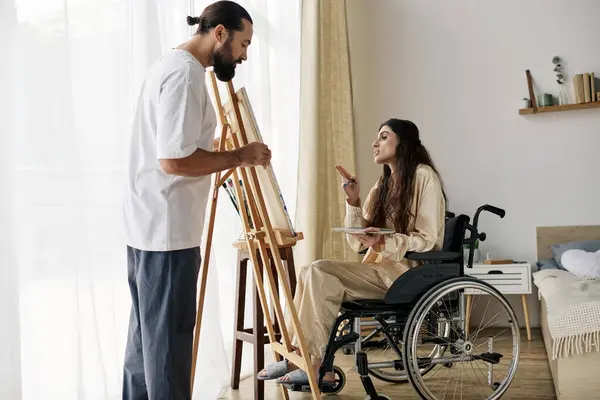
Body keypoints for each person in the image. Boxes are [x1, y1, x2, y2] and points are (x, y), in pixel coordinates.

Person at [121, 2, 271, 399]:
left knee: (145, 347)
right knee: (167, 349)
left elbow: (177, 147)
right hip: (167, 232)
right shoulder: (185, 75)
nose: (243, 55)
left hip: (148, 226)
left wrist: (218, 152)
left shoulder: (170, 66)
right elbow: (173, 160)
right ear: (219, 33)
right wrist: (240, 156)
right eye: (243, 44)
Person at [257, 118, 447, 388]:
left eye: (383, 136)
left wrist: (383, 243)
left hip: (405, 275)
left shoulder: (424, 176)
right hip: (378, 270)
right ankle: (305, 359)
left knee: (319, 270)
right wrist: (353, 201)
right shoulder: (382, 185)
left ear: (403, 142)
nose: (375, 143)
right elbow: (357, 244)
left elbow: (429, 240)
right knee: (311, 271)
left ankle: (313, 363)